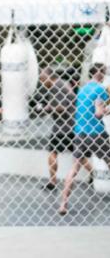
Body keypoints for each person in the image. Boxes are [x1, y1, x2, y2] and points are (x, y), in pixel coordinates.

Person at [58, 63, 110, 215]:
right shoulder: (100, 89)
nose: (105, 75)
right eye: (104, 72)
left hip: (80, 132)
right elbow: (98, 113)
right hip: (97, 133)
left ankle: (63, 204)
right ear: (99, 74)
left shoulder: (82, 90)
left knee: (74, 169)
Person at [37, 67, 76, 191]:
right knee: (80, 155)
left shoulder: (56, 87)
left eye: (43, 79)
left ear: (49, 77)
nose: (42, 83)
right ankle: (92, 174)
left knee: (52, 152)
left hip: (62, 126)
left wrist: (46, 109)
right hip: (71, 124)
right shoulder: (62, 83)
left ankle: (52, 182)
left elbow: (61, 107)